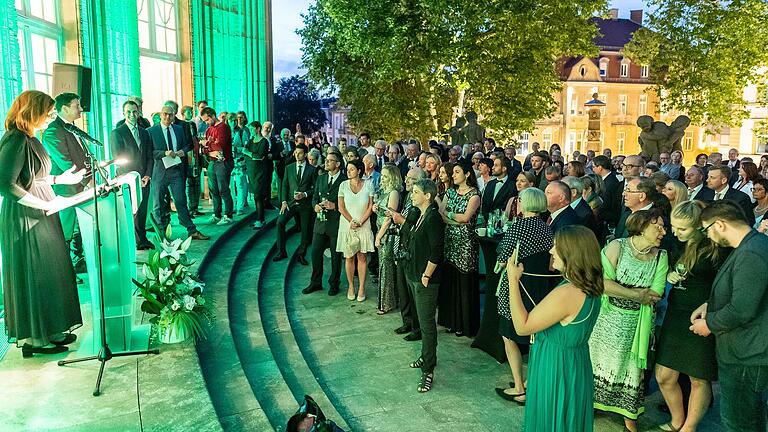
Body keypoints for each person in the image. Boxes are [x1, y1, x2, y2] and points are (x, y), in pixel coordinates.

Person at [0, 90, 85, 357]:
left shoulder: (30, 138)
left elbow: (34, 177)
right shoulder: (15, 139)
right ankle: (35, 338)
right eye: (47, 112)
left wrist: (62, 180)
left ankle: (50, 329)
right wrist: (45, 205)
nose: (51, 116)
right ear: (32, 111)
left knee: (50, 272)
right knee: (36, 274)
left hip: (42, 210)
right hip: (25, 217)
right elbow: (6, 184)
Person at [505, 225, 602, 431]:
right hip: (576, 364)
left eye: (556, 246)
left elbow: (522, 327)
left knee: (551, 419)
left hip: (556, 366)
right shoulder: (591, 285)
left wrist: (512, 281)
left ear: (571, 253)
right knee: (569, 419)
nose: (551, 251)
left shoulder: (568, 292)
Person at [691, 200, 768, 431]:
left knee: (739, 422)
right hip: (744, 350)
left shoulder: (752, 252)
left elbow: (742, 309)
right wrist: (710, 303)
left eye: (707, 230)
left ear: (720, 224)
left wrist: (710, 324)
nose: (707, 236)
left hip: (747, 354)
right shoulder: (751, 246)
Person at [591, 209, 668, 432]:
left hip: (637, 324)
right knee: (598, 361)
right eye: (658, 227)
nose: (663, 232)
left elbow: (656, 293)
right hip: (607, 318)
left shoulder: (661, 257)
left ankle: (629, 419)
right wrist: (636, 294)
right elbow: (602, 283)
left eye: (664, 227)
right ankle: (593, 403)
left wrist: (621, 289)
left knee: (631, 370)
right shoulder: (618, 246)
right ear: (642, 227)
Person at [655, 201, 724, 432]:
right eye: (674, 227)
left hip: (701, 315)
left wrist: (709, 304)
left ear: (698, 226)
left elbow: (726, 282)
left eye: (682, 228)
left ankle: (689, 427)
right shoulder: (675, 243)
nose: (676, 232)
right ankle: (677, 419)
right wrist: (670, 274)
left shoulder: (714, 246)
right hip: (676, 311)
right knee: (664, 375)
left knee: (698, 377)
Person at [494, 187, 554, 404]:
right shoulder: (547, 228)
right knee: (535, 338)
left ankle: (519, 387)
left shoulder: (518, 227)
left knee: (508, 335)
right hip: (540, 289)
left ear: (524, 203)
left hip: (517, 286)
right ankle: (531, 382)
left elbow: (503, 256)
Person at [404, 178, 445, 393]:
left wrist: (427, 275)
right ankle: (425, 356)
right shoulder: (420, 215)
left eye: (416, 191)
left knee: (428, 326)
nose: (412, 194)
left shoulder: (433, 218)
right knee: (422, 320)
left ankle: (428, 370)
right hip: (414, 275)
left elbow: (437, 250)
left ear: (427, 196)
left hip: (425, 279)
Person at [41, 92, 89, 274]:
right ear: (65, 108)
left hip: (79, 186)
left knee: (77, 227)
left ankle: (77, 262)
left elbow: (82, 156)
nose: (81, 109)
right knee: (65, 231)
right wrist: (87, 180)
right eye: (77, 106)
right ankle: (63, 269)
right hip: (65, 188)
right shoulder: (53, 131)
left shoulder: (72, 127)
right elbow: (65, 162)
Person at [148, 106, 208, 240]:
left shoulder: (179, 129)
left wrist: (182, 151)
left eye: (170, 115)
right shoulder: (151, 131)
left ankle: (191, 230)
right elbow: (149, 152)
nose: (167, 117)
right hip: (160, 172)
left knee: (180, 200)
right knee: (157, 203)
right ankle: (161, 233)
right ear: (160, 114)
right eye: (165, 114)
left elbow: (188, 145)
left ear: (174, 115)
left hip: (176, 171)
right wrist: (164, 153)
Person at [437, 162, 481, 337]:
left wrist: (450, 216)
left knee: (464, 282)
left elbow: (466, 217)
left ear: (467, 174)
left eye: (457, 172)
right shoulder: (450, 192)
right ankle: (451, 321)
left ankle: (465, 324)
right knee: (451, 280)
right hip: (450, 241)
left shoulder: (474, 195)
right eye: (453, 172)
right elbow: (441, 213)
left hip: (466, 243)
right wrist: (455, 219)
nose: (453, 175)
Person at [110, 99, 153, 249]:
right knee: (132, 211)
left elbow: (149, 155)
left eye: (134, 111)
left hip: (144, 178)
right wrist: (134, 178)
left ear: (139, 112)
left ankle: (142, 239)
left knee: (142, 210)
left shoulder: (144, 132)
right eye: (128, 112)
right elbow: (118, 159)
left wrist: (147, 175)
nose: (132, 114)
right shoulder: (117, 133)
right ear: (123, 113)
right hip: (129, 179)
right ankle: (135, 241)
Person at [304, 152, 346, 295]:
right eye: (326, 160)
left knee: (336, 256)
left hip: (336, 224)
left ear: (338, 164)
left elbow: (347, 203)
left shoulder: (344, 181)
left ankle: (334, 283)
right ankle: (315, 282)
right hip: (320, 223)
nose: (326, 162)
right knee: (315, 253)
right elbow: (315, 196)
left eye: (330, 160)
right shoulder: (321, 178)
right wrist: (315, 206)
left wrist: (334, 206)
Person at [336, 159, 375, 301]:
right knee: (349, 257)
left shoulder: (369, 185)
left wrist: (360, 221)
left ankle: (362, 287)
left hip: (363, 225)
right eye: (347, 169)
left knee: (362, 257)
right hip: (347, 225)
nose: (348, 171)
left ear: (359, 170)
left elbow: (371, 206)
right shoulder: (342, 185)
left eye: (351, 169)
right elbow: (341, 207)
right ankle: (351, 286)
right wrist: (351, 221)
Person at [274, 144, 317, 265]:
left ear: (305, 154)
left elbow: (315, 189)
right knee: (280, 222)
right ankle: (281, 251)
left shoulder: (312, 170)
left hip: (305, 205)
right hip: (290, 203)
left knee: (305, 230)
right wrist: (283, 201)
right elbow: (285, 185)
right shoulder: (289, 167)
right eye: (296, 152)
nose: (297, 155)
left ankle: (301, 254)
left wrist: (304, 194)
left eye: (300, 153)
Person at [373, 165, 403, 314]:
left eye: (385, 176)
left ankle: (386, 303)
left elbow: (389, 218)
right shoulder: (383, 192)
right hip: (381, 232)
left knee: (387, 268)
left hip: (388, 234)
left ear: (393, 177)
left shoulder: (394, 193)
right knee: (384, 268)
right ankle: (387, 301)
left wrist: (378, 236)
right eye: (382, 176)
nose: (382, 179)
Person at [199, 107, 234, 224]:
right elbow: (203, 150)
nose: (206, 122)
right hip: (213, 161)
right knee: (213, 189)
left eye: (207, 119)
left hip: (223, 162)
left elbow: (221, 147)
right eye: (204, 120)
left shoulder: (223, 127)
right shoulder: (209, 130)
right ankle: (217, 213)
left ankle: (228, 215)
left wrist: (208, 144)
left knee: (223, 189)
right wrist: (209, 148)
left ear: (213, 115)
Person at [243, 121, 270, 228]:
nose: (250, 131)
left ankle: (260, 219)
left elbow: (259, 156)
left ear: (258, 129)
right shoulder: (251, 140)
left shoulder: (264, 141)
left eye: (252, 129)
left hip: (260, 172)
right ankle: (260, 218)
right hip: (251, 171)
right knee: (255, 195)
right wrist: (250, 154)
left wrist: (249, 153)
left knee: (258, 195)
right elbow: (246, 152)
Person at [230, 111, 250, 215]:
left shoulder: (246, 130)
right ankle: (233, 204)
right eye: (238, 118)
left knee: (240, 183)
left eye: (241, 117)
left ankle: (240, 206)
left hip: (241, 159)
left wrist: (239, 149)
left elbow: (247, 145)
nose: (239, 120)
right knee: (232, 184)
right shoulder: (233, 130)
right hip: (232, 159)